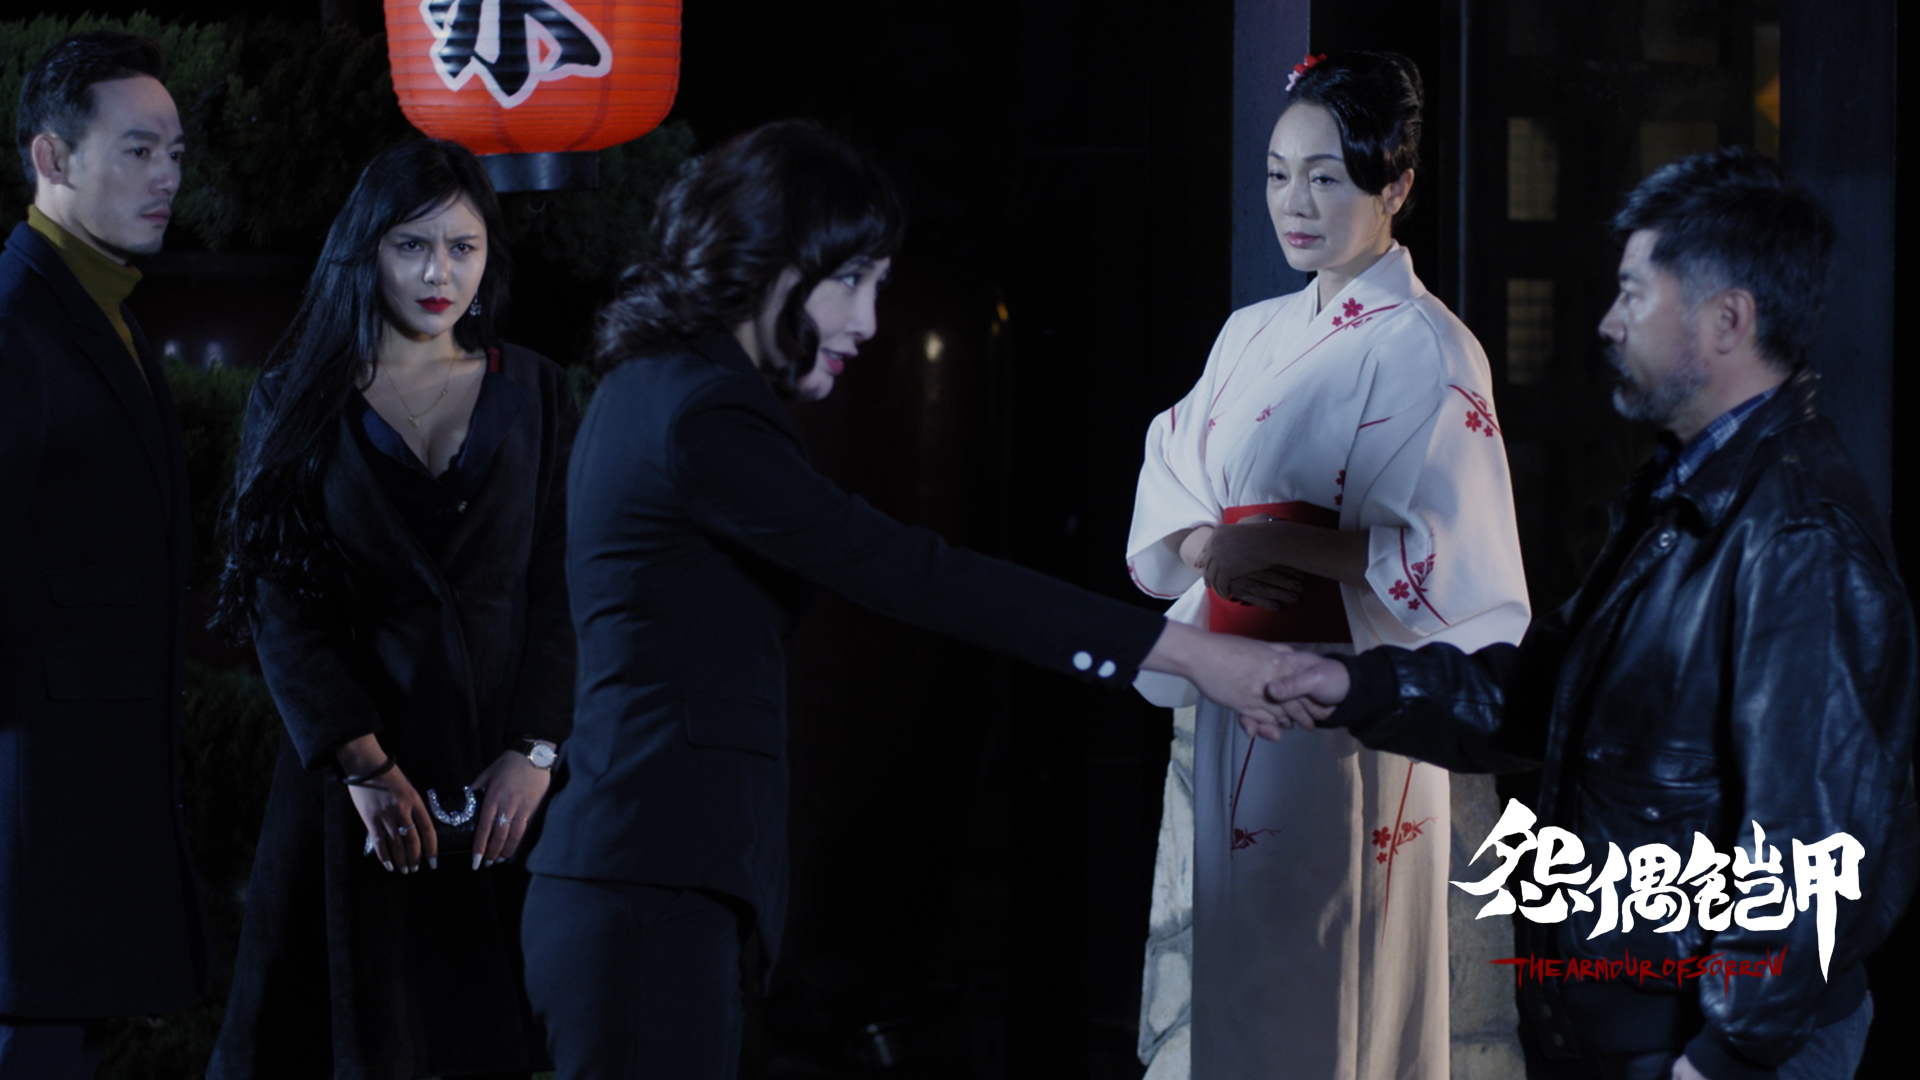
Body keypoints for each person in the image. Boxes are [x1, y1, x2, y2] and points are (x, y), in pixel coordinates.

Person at [524, 118, 1300, 1079]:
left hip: (646, 878)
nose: (867, 321)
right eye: (853, 279)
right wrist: (1190, 653)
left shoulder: (651, 387)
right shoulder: (702, 414)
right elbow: (914, 572)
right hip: (649, 886)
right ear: (773, 261)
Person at [1264, 147, 1916, 1080]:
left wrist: (1725, 1056)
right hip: (1621, 1035)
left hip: (1709, 1049)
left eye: (1634, 295)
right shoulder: (1680, 494)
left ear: (1729, 320)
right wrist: (1354, 686)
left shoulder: (1798, 537)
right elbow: (1545, 696)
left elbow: (1813, 846)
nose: (1609, 323)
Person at [1124, 51, 1530, 1079]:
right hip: (1239, 692)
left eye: (1326, 176)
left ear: (1396, 185)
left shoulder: (1433, 347)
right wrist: (1213, 546)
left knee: (1343, 970)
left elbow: (1453, 554)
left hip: (1355, 698)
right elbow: (1172, 473)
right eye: (1276, 175)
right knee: (1244, 969)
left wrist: (1279, 545)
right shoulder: (1250, 334)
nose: (1293, 203)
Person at [206, 138, 575, 1080]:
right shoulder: (297, 394)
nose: (438, 273)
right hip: (354, 781)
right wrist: (361, 762)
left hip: (501, 777)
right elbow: (278, 598)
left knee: (491, 1036)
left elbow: (564, 581)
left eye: (462, 247)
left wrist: (537, 749)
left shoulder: (538, 390)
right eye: (411, 246)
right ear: (366, 250)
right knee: (351, 1037)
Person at [0, 31, 203, 1079]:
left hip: (81, 797)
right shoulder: (18, 321)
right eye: (137, 150)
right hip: (32, 802)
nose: (167, 176)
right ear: (52, 157)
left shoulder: (95, 305)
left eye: (174, 152)